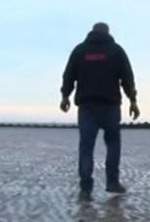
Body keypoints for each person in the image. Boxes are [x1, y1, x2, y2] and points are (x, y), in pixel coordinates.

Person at [60, 22, 140, 201]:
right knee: (113, 145)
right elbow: (127, 78)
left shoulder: (80, 50)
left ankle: (85, 188)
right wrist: (133, 100)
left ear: (92, 32)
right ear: (108, 32)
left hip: (87, 107)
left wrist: (65, 96)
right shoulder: (116, 51)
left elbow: (68, 75)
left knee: (86, 147)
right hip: (110, 106)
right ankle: (112, 182)